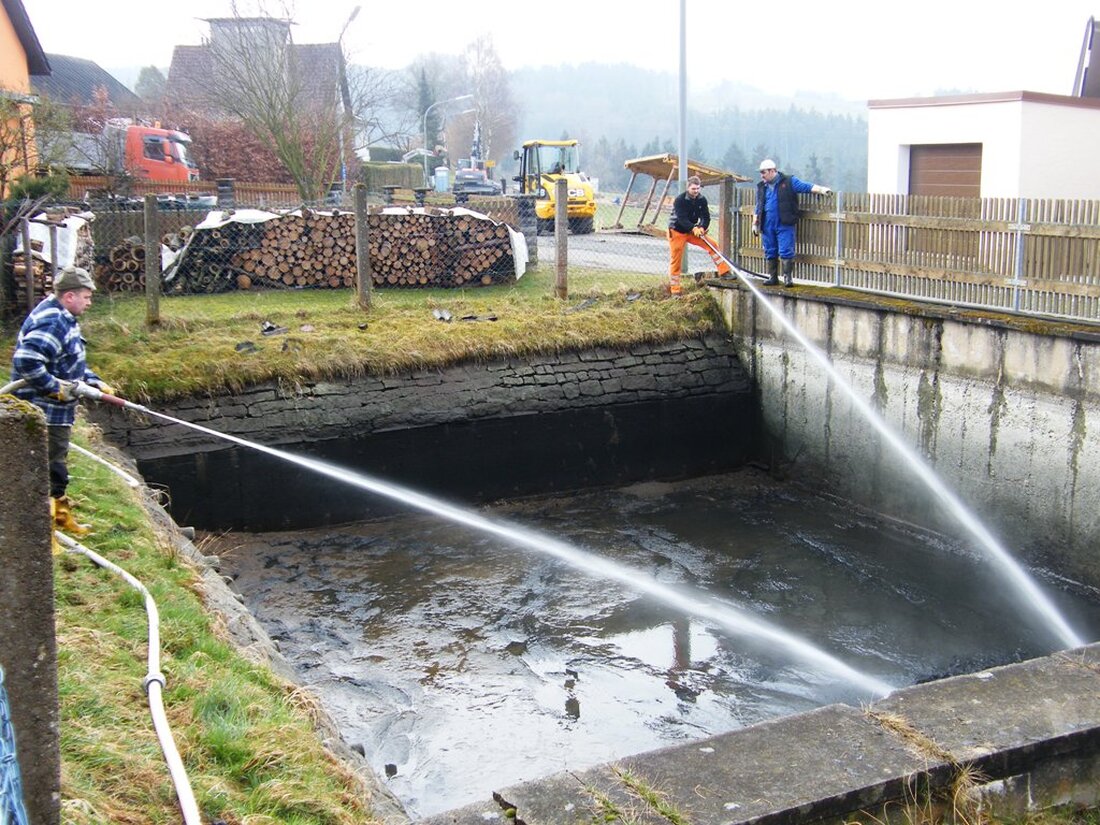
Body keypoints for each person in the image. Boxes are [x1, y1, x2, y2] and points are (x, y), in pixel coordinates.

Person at [11, 265, 115, 534]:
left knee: (56, 464)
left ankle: (60, 519)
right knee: (50, 467)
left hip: (57, 410)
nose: (90, 302)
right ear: (70, 296)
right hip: (45, 410)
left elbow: (65, 358)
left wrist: (92, 380)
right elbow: (26, 361)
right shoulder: (53, 320)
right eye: (87, 297)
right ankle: (46, 532)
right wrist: (54, 388)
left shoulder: (63, 316)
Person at [752, 159, 831, 287]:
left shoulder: (789, 181)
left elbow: (806, 186)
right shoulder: (762, 187)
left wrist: (821, 190)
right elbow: (758, 205)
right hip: (767, 224)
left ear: (773, 171)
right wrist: (755, 223)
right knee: (770, 250)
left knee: (786, 250)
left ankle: (787, 278)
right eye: (761, 173)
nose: (762, 175)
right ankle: (773, 277)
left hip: (785, 223)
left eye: (764, 172)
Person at [667, 175, 731, 295]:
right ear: (688, 188)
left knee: (712, 245)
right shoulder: (680, 200)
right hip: (677, 231)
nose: (696, 191)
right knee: (676, 260)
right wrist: (693, 228)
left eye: (698, 189)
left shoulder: (702, 200)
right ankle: (675, 290)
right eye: (693, 189)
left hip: (693, 230)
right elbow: (682, 219)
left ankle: (724, 272)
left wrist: (702, 227)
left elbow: (705, 217)